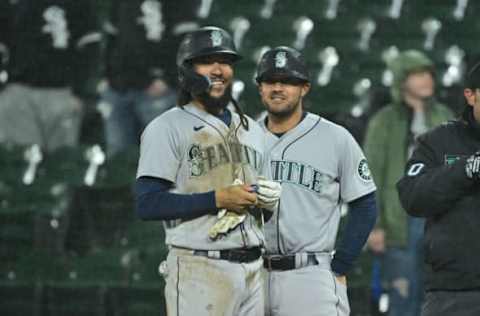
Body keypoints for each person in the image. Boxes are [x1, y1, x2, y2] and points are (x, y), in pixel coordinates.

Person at [135, 26, 281, 316]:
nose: (218, 70)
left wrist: (269, 202)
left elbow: (263, 211)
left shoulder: (253, 130)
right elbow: (147, 203)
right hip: (198, 268)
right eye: (207, 61)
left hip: (253, 269)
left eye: (225, 61)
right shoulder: (167, 128)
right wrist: (216, 199)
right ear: (187, 71)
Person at [256, 46, 377, 316]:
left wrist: (342, 263)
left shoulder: (335, 138)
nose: (278, 88)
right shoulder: (242, 138)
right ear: (259, 87)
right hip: (252, 274)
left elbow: (365, 203)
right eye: (270, 81)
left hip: (309, 274)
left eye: (288, 81)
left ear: (304, 88)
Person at [363, 50, 454, 316]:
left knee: (438, 301)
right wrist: (375, 225)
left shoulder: (445, 117)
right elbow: (369, 175)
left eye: (428, 73)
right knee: (403, 299)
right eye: (417, 74)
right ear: (402, 81)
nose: (426, 79)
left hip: (438, 222)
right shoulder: (384, 121)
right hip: (398, 221)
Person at [396, 61, 480, 316]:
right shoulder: (439, 141)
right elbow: (412, 196)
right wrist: (465, 170)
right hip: (454, 291)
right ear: (471, 95)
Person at [100, 0, 199, 156]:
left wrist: (167, 79)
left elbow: (188, 42)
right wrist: (107, 75)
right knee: (118, 158)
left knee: (160, 156)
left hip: (157, 89)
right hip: (119, 87)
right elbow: (111, 37)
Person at [0, 0, 101, 152]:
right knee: (22, 162)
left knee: (60, 164)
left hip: (62, 93)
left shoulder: (79, 4)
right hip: (18, 94)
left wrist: (81, 93)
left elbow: (91, 49)